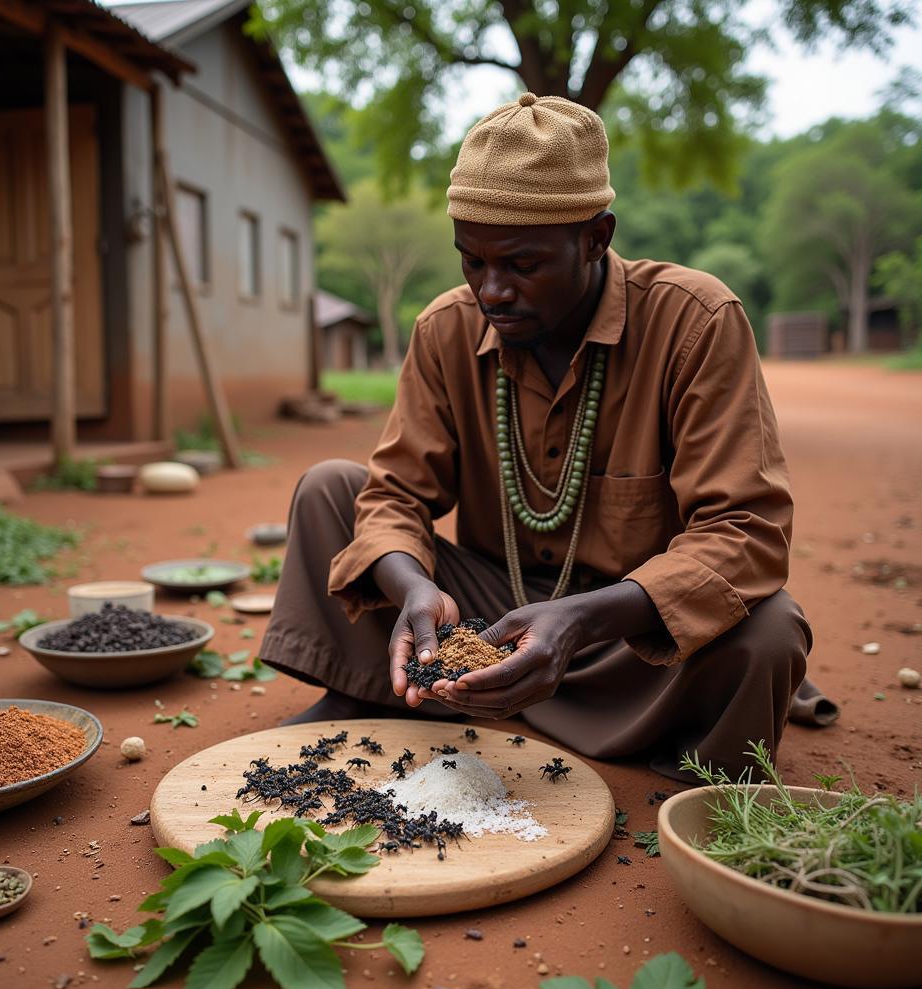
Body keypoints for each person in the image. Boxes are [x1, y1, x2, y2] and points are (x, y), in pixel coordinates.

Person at [260, 92, 820, 781]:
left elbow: (746, 529)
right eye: (472, 261)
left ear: (596, 238)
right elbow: (394, 494)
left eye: (522, 265)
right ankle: (364, 692)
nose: (491, 290)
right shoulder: (447, 328)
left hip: (634, 636)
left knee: (769, 633)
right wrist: (414, 591)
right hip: (490, 621)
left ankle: (677, 766)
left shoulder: (696, 321)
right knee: (330, 492)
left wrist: (582, 620)